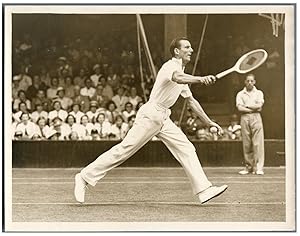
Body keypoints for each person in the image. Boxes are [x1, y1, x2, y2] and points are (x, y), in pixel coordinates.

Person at [74, 37, 227, 204]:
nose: (191, 50)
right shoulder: (170, 67)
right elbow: (178, 78)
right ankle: (84, 177)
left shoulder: (182, 72)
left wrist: (209, 122)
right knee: (123, 150)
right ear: (177, 51)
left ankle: (204, 190)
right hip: (151, 114)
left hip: (163, 118)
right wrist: (200, 79)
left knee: (187, 148)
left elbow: (191, 101)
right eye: (187, 47)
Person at [236, 74, 265, 175]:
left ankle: (258, 168)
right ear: (245, 82)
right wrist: (253, 107)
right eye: (248, 81)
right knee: (247, 144)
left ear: (254, 82)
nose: (249, 83)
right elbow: (239, 108)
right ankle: (248, 167)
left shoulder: (259, 93)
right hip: (244, 118)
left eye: (251, 81)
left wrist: (246, 105)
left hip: (256, 117)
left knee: (257, 143)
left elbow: (259, 106)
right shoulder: (240, 94)